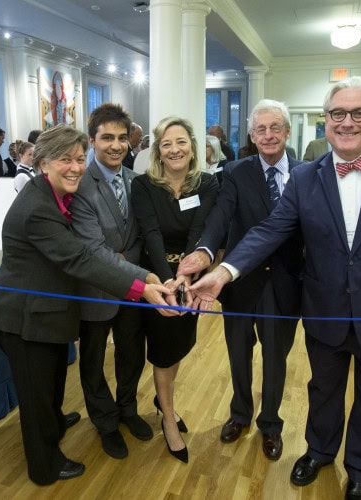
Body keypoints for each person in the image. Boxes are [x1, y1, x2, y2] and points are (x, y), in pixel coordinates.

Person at [190, 76, 361, 499]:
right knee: (323, 390)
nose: (347, 122)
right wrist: (224, 271)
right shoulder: (306, 177)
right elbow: (271, 229)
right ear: (325, 121)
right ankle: (319, 452)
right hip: (324, 310)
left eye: (358, 113)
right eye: (338, 114)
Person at [0, 124, 175, 485]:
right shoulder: (38, 207)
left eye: (77, 159)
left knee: (53, 381)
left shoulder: (53, 195)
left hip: (47, 313)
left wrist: (145, 276)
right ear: (42, 164)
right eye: (63, 160)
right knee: (37, 395)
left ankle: (55, 422)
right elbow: (80, 260)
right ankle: (45, 466)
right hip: (23, 318)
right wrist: (140, 286)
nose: (74, 167)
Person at [178, 99, 304, 462]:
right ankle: (240, 413)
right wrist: (204, 250)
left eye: (275, 128)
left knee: (276, 358)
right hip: (239, 281)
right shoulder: (235, 171)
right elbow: (220, 217)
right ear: (251, 135)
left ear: (287, 131)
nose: (268, 135)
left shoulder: (307, 173)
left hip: (284, 282)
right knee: (238, 353)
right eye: (260, 129)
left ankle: (270, 423)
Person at [132, 116, 220, 463]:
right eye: (166, 144)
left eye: (181, 141)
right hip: (156, 280)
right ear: (158, 151)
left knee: (180, 345)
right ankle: (168, 417)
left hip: (190, 275)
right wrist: (168, 280)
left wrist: (185, 276)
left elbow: (200, 229)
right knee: (163, 350)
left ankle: (162, 399)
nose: (174, 149)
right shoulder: (143, 186)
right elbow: (150, 233)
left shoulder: (208, 184)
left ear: (192, 147)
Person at [69, 104, 152, 459]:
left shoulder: (136, 181)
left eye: (121, 138)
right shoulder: (80, 185)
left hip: (130, 291)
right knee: (92, 360)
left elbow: (141, 235)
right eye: (107, 138)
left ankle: (128, 410)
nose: (116, 145)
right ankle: (105, 422)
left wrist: (125, 262)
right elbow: (91, 248)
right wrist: (133, 270)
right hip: (95, 291)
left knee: (132, 353)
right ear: (92, 141)